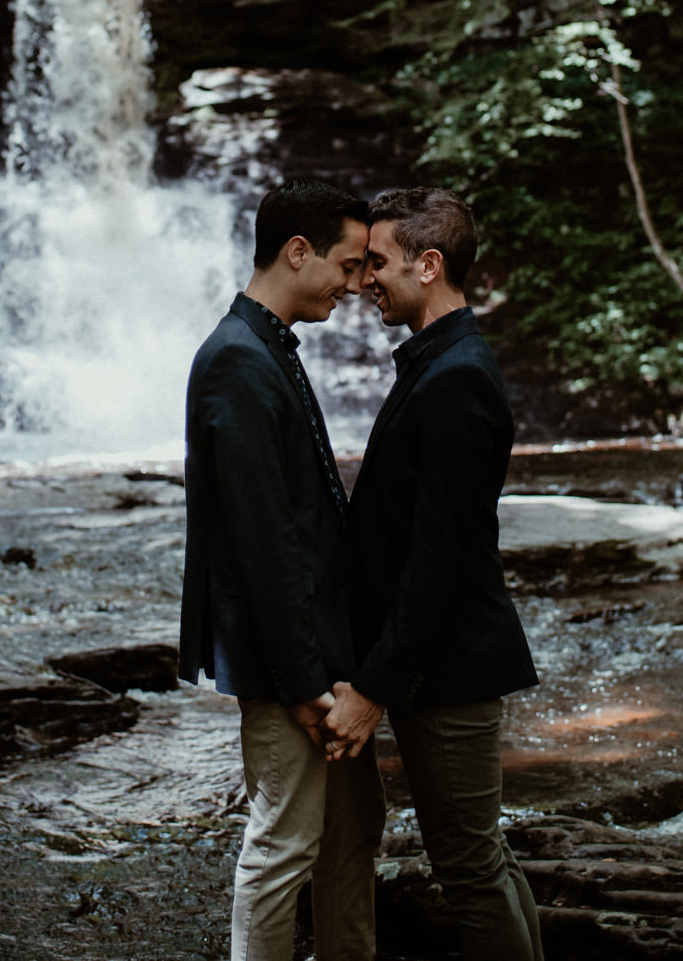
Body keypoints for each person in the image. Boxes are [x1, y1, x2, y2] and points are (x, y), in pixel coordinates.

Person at [323, 185, 544, 961]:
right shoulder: (439, 362)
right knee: (483, 858)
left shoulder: (454, 378)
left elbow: (441, 556)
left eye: (377, 263)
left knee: (470, 867)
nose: (361, 281)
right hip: (439, 664)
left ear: (429, 263)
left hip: (448, 669)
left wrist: (374, 687)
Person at [178, 178, 386, 961]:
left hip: (324, 653)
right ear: (297, 252)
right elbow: (259, 543)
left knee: (351, 836)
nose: (361, 282)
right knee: (285, 844)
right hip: (288, 664)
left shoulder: (262, 347)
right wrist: (303, 683)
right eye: (349, 262)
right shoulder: (236, 360)